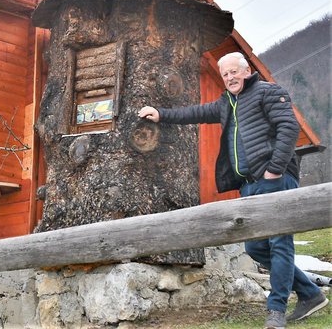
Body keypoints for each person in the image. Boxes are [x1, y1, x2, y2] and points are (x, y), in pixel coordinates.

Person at [138, 52, 328, 329]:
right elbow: (196, 113)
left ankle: (276, 311)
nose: (229, 77)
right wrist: (161, 114)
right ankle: (310, 294)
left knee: (278, 244)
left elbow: (289, 127)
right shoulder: (227, 103)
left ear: (247, 71)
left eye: (234, 72)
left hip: (275, 181)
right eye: (225, 74)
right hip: (248, 186)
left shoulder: (268, 92)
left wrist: (275, 168)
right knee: (255, 247)